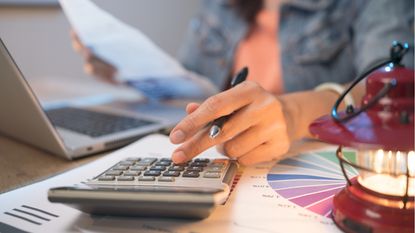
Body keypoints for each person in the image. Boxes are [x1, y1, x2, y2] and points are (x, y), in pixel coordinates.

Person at [71, 0, 414, 165]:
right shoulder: (220, 6)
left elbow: (390, 89)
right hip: (216, 163)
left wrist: (292, 113)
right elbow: (191, 84)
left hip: (301, 168)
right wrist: (123, 70)